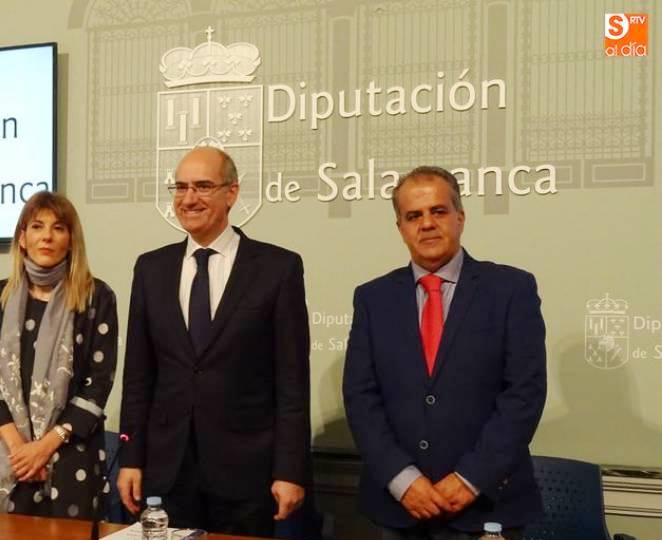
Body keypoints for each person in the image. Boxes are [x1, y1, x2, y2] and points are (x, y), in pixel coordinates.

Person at [343, 166, 547, 540]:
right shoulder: (372, 298)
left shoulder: (511, 289)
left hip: (486, 508)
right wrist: (402, 479)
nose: (427, 224)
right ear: (400, 227)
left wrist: (471, 478)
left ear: (460, 217)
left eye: (438, 211)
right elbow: (360, 397)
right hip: (399, 509)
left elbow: (524, 394)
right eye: (413, 216)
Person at [117, 146, 311, 537]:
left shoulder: (278, 268)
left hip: (247, 476)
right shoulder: (151, 268)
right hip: (167, 474)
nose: (188, 199)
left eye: (203, 186)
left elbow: (292, 382)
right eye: (180, 187)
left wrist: (290, 470)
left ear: (232, 193)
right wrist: (131, 458)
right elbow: (138, 376)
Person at [0, 191, 118, 520]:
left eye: (58, 228)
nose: (47, 236)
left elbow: (98, 385)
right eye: (37, 226)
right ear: (22, 238)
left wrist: (43, 447)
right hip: (10, 456)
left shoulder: (97, 297)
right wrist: (21, 450)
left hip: (71, 459)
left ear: (71, 240)